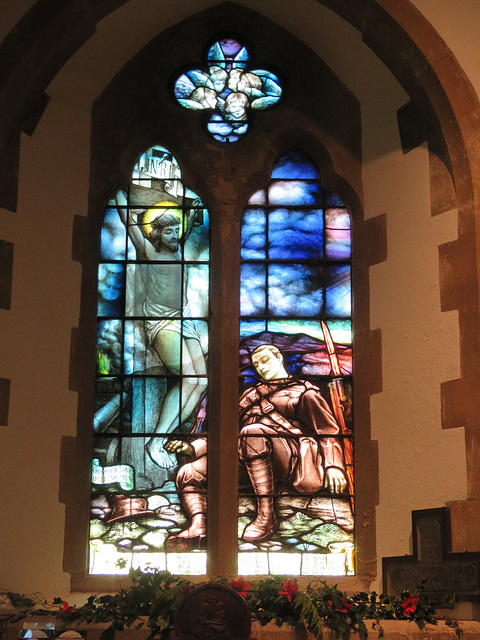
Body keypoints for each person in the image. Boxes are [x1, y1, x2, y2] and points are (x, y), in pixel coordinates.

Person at [163, 343, 349, 550]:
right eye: (256, 364)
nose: (260, 367)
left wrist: (334, 466)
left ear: (278, 357)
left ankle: (266, 516)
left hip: (295, 461)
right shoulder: (249, 397)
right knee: (189, 472)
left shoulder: (304, 392)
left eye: (265, 360)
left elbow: (327, 431)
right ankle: (200, 525)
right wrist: (193, 449)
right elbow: (227, 434)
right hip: (251, 456)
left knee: (253, 431)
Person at [115, 190, 207, 469]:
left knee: (203, 381)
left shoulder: (177, 248)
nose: (175, 235)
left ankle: (164, 437)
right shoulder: (149, 251)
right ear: (156, 232)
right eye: (169, 231)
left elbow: (189, 221)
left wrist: (192, 207)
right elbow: (130, 223)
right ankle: (155, 440)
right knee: (190, 378)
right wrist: (120, 192)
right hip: (162, 323)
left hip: (184, 319)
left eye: (176, 230)